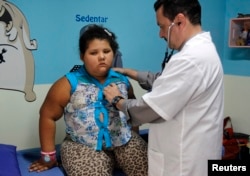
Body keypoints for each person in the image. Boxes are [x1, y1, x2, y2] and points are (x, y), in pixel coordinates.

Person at [103, 0, 224, 176]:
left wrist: (117, 100)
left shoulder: (189, 60)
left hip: (182, 163)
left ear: (180, 21)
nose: (160, 34)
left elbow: (149, 109)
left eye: (162, 26)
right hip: (195, 154)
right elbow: (167, 83)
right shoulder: (204, 51)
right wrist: (130, 72)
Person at [29, 24, 148, 176]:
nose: (102, 57)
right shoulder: (67, 83)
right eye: (93, 52)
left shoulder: (123, 81)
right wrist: (48, 157)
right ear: (82, 55)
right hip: (82, 146)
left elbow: (131, 110)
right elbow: (47, 115)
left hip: (123, 140)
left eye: (107, 51)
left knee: (151, 170)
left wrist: (134, 136)